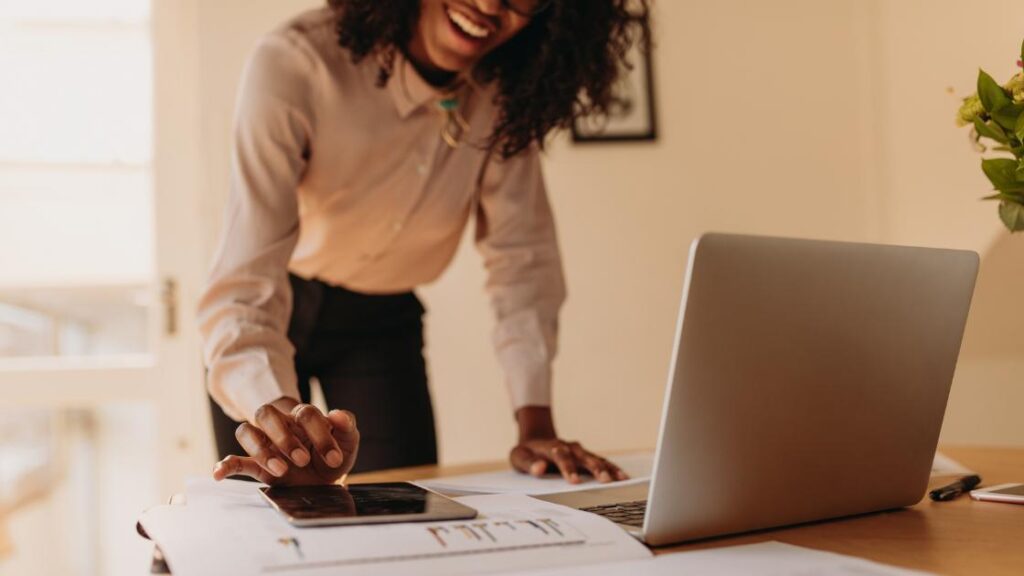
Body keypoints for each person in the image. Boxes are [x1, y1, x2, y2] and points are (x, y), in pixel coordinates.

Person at [200, 0, 649, 486]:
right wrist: (284, 424)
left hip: (381, 324)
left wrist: (535, 424)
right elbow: (246, 279)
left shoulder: (505, 97)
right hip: (267, 313)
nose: (489, 5)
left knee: (404, 511)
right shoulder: (294, 65)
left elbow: (523, 259)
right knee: (267, 514)